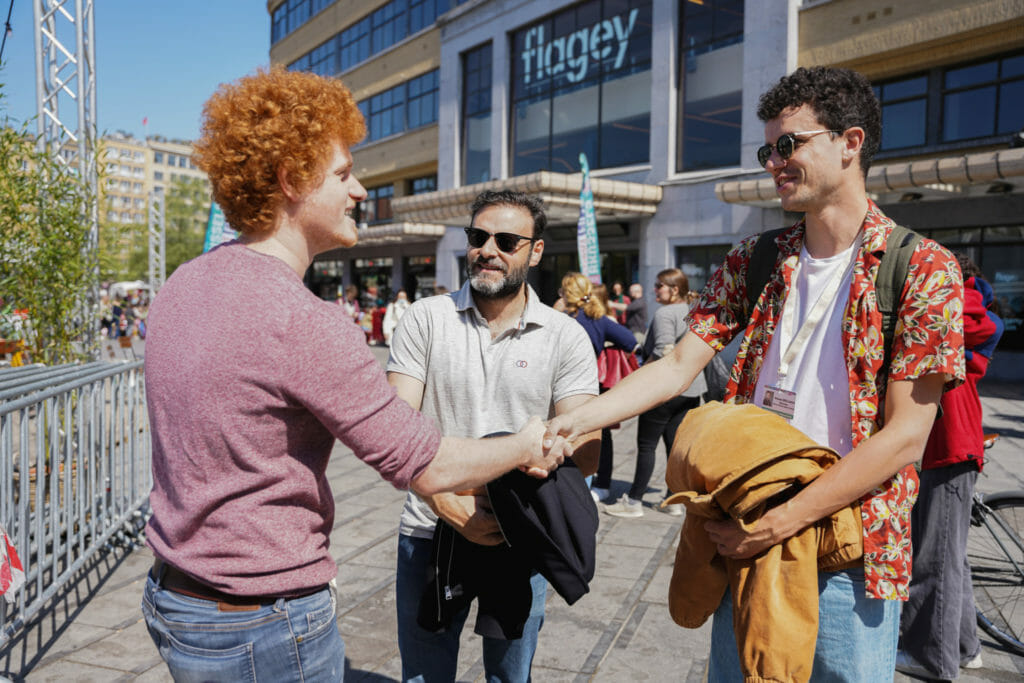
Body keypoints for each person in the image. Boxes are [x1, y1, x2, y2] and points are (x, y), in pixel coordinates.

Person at [139, 68, 568, 683]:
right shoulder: (302, 320)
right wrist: (527, 442)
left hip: (176, 597)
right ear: (291, 180)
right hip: (259, 620)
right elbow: (424, 464)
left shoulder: (184, 283)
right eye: (343, 173)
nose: (361, 190)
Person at [545, 65, 964, 680]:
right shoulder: (757, 258)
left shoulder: (922, 268)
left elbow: (905, 437)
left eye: (790, 144)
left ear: (850, 143)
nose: (774, 161)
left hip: (848, 551)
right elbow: (678, 364)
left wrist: (782, 523)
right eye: (769, 149)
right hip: (746, 527)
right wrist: (574, 421)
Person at [387, 190, 601, 683]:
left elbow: (586, 452)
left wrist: (521, 486)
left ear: (536, 251)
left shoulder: (564, 334)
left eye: (507, 240)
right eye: (478, 237)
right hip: (430, 528)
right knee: (423, 674)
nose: (489, 249)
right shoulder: (426, 318)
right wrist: (443, 498)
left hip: (521, 535)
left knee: (510, 676)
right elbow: (397, 429)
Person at [897, 253, 1004, 680]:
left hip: (947, 443)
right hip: (951, 439)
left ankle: (932, 659)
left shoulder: (955, 310)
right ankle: (964, 646)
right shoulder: (978, 317)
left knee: (932, 559)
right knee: (948, 557)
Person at [604, 268, 704, 519]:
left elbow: (664, 350)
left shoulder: (665, 313)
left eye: (659, 285)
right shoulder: (694, 310)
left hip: (664, 389)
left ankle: (634, 501)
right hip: (691, 388)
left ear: (674, 289)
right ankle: (673, 500)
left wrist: (641, 378)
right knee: (674, 445)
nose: (654, 289)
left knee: (647, 445)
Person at [559, 272, 638, 505]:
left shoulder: (560, 319)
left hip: (561, 387)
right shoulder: (599, 319)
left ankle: (568, 485)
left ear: (566, 294)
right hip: (592, 386)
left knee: (564, 434)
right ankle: (601, 485)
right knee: (599, 436)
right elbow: (631, 343)